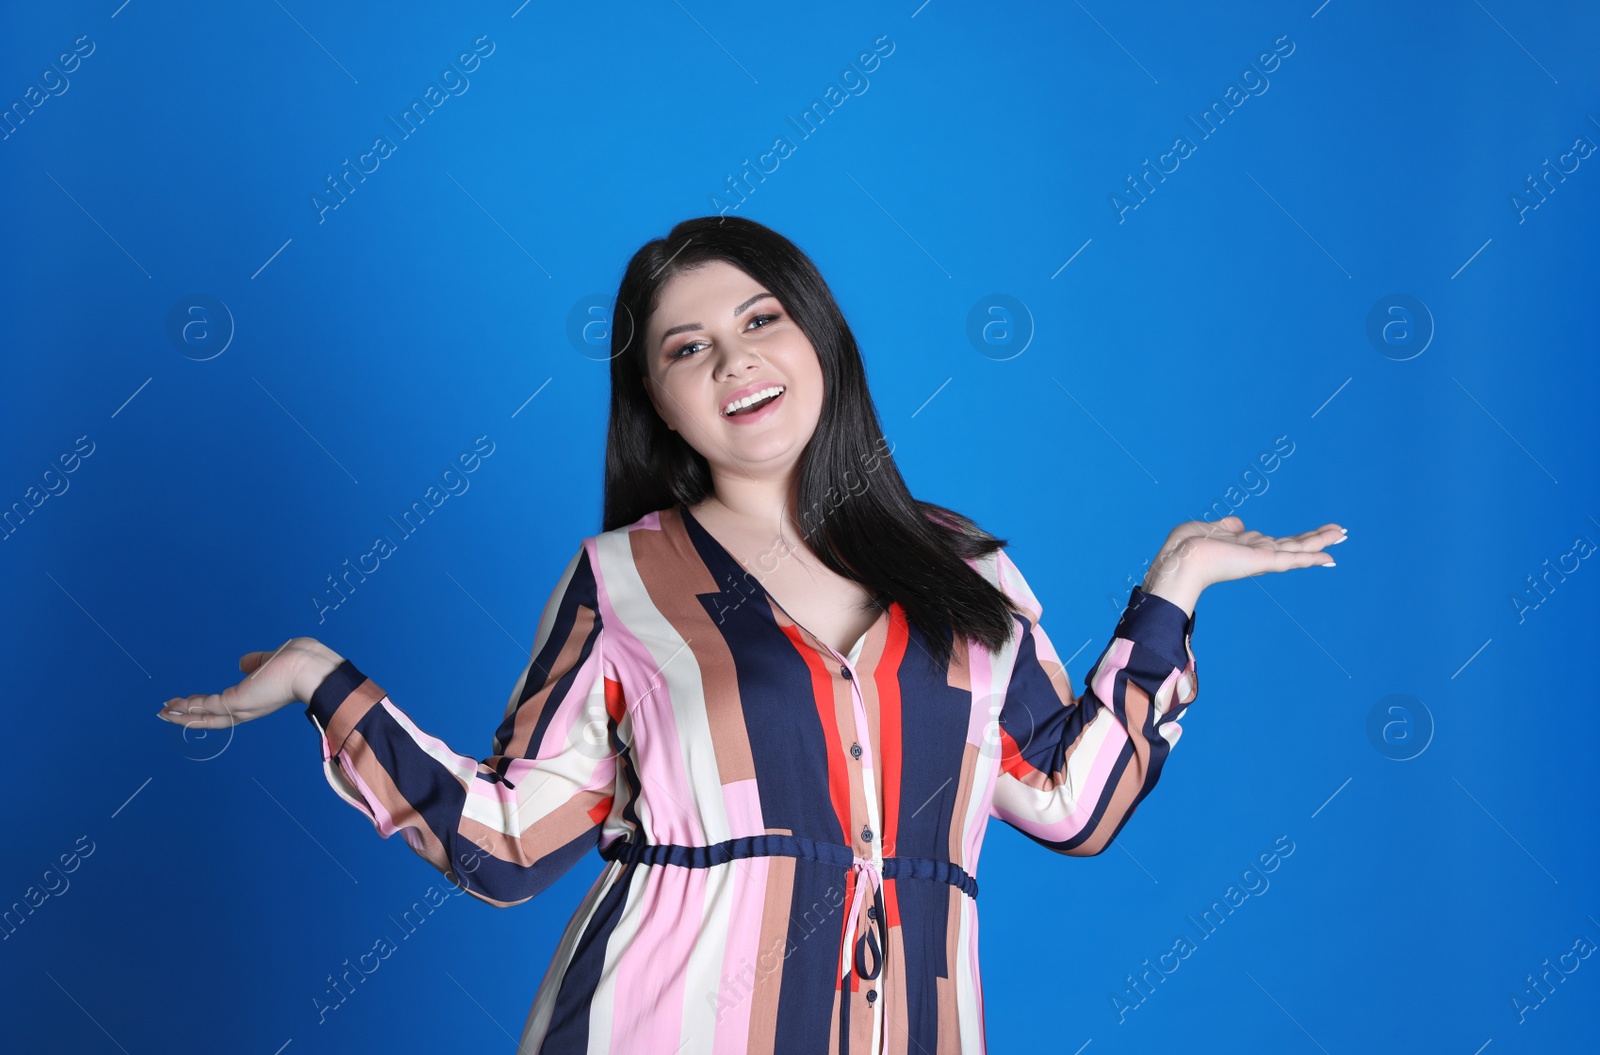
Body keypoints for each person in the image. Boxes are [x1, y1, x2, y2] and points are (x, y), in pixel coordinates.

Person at [159, 215, 1345, 1054]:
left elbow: (1075, 805)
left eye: (760, 317)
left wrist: (1173, 586)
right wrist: (327, 683)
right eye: (687, 347)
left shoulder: (965, 571)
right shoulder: (622, 579)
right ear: (659, 403)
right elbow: (512, 842)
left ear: (819, 337)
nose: (734, 359)